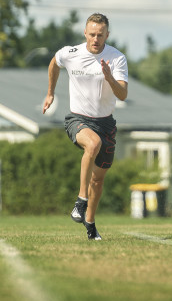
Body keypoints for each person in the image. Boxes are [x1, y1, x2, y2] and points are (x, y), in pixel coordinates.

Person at [43, 12, 128, 241]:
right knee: (93, 144)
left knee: (98, 180)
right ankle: (80, 201)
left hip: (106, 123)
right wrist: (50, 92)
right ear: (85, 33)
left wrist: (110, 78)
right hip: (78, 119)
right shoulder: (70, 53)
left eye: (100, 35)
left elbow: (122, 94)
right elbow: (54, 63)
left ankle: (90, 224)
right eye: (92, 34)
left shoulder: (117, 58)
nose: (95, 39)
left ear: (107, 35)